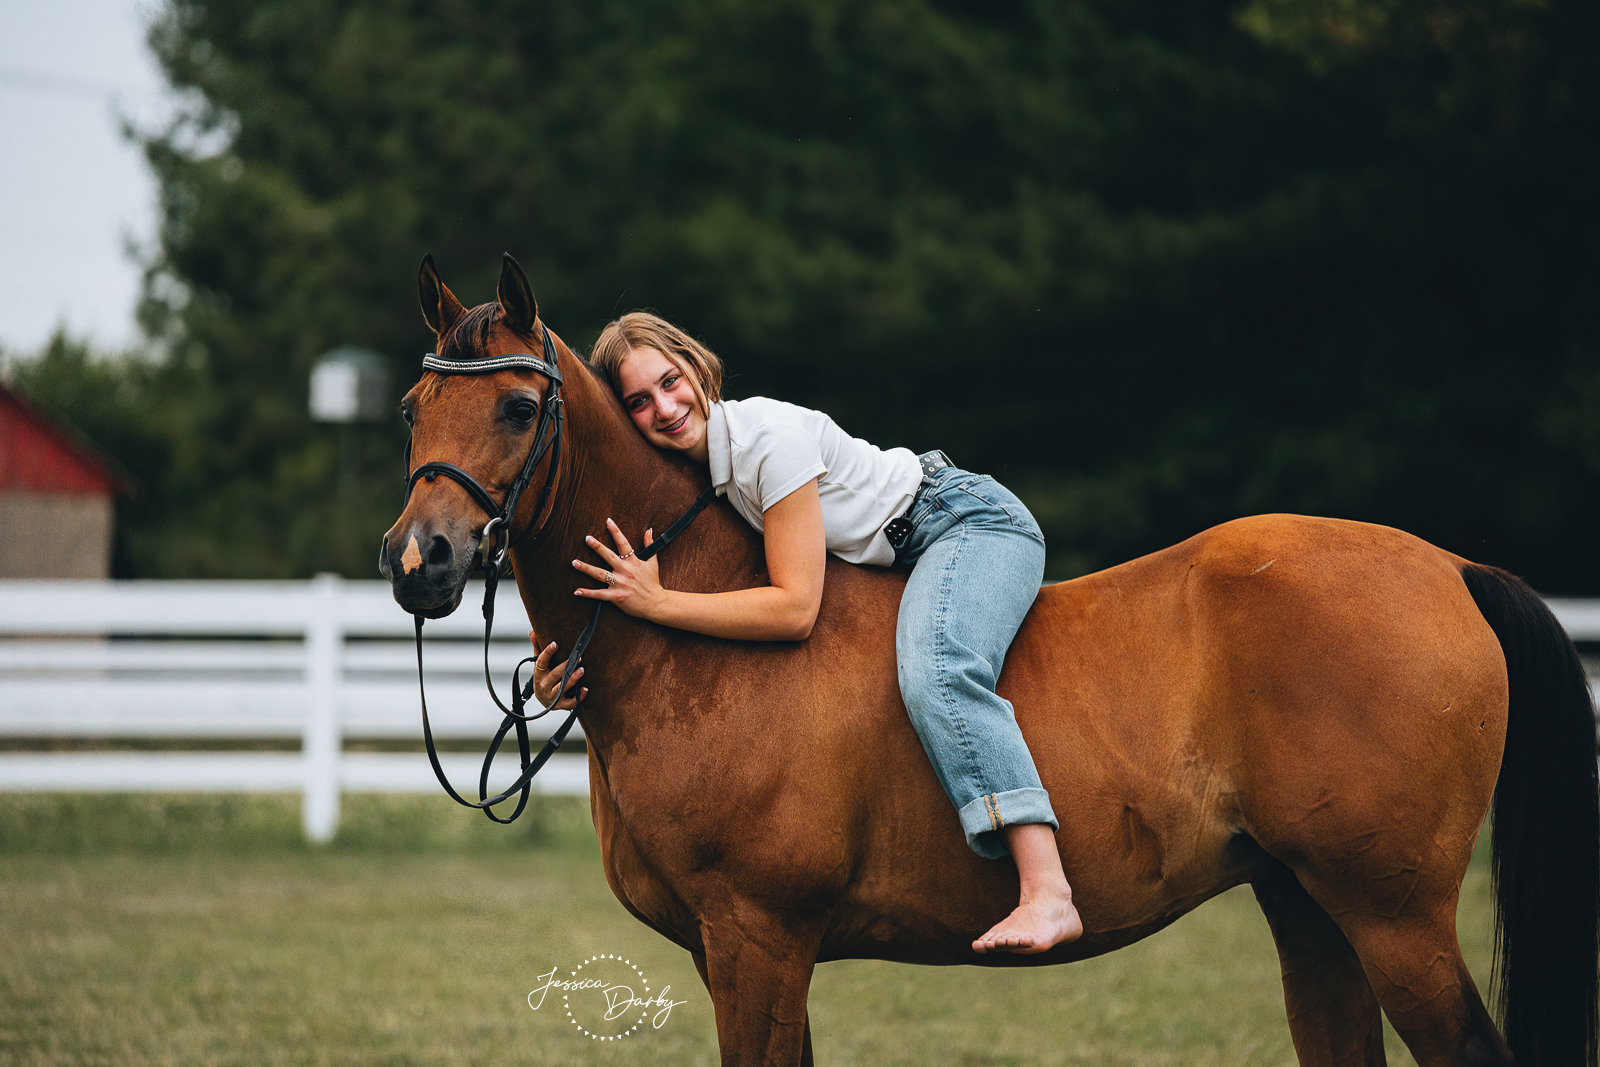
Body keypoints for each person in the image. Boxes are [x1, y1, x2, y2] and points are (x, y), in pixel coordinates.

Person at [529, 312, 1082, 954]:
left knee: (939, 669)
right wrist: (567, 666)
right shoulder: (702, 472)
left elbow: (795, 609)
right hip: (905, 552)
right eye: (639, 402)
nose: (665, 407)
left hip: (964, 523)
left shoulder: (768, 439)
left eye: (670, 381)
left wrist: (655, 602)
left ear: (698, 368)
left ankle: (1048, 891)